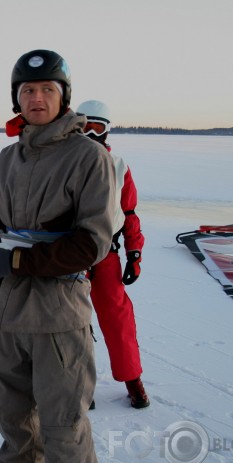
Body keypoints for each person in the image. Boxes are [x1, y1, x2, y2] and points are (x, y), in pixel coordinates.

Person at [0, 50, 115, 463]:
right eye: (27, 90)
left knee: (65, 431)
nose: (37, 98)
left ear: (64, 97)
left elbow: (93, 243)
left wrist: (22, 258)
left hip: (58, 320)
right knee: (14, 427)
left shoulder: (87, 157)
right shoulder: (8, 159)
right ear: (16, 98)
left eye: (47, 89)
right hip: (7, 320)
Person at [76, 100, 149, 409]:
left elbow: (129, 211)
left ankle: (132, 379)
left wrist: (134, 253)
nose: (91, 134)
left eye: (98, 128)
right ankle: (80, 383)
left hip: (106, 253)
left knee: (118, 317)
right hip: (71, 254)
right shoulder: (63, 163)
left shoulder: (118, 165)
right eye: (86, 127)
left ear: (107, 131)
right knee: (72, 321)